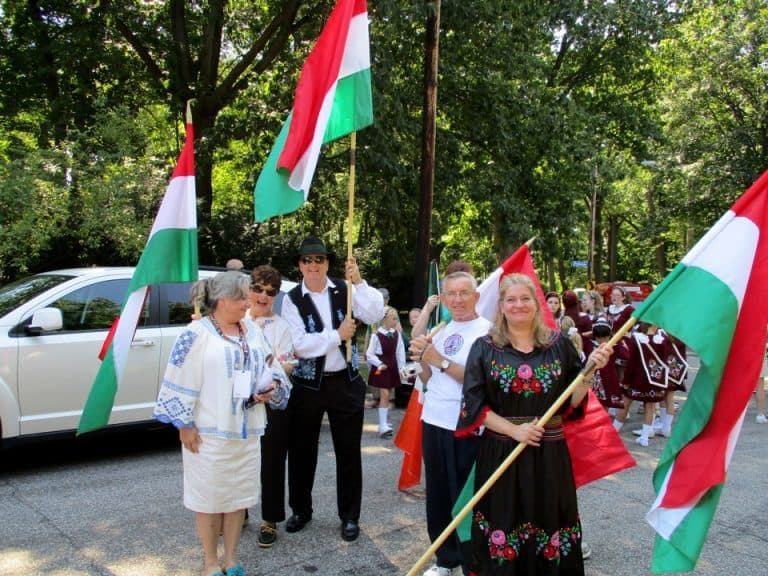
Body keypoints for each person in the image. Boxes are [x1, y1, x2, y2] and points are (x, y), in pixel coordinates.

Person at [456, 273, 611, 576]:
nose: (518, 305)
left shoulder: (559, 345)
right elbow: (473, 408)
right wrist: (515, 430)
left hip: (549, 455)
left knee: (549, 522)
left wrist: (591, 372)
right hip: (501, 453)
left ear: (536, 304)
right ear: (500, 306)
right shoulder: (484, 348)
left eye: (525, 298)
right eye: (511, 299)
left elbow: (573, 401)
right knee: (504, 522)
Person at [152, 271, 289, 576]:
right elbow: (178, 376)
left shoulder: (252, 330)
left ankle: (231, 559)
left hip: (247, 432)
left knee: (236, 499)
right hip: (209, 433)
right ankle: (210, 562)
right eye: (243, 297)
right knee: (210, 500)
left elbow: (272, 366)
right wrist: (184, 424)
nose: (249, 302)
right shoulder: (196, 333)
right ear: (223, 300)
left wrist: (273, 386)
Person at [281, 236, 384, 542]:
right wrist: (336, 335)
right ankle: (300, 509)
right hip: (308, 385)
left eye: (319, 259)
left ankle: (350, 516)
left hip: (345, 381)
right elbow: (299, 344)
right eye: (307, 260)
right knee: (301, 451)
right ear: (300, 265)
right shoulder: (292, 298)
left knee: (349, 452)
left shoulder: (345, 288)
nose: (313, 265)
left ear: (327, 263)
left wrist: (360, 281)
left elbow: (374, 313)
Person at [409, 271, 492, 576]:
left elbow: (477, 380)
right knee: (439, 494)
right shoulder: (441, 328)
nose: (457, 300)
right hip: (433, 419)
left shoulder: (488, 332)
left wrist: (438, 358)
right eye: (451, 294)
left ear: (476, 296)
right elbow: (430, 378)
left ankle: (472, 562)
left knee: (464, 497)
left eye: (463, 293)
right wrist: (421, 360)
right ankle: (445, 559)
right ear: (443, 299)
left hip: (466, 424)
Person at [244, 265, 297, 549]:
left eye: (270, 291)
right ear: (248, 289)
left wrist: (269, 380)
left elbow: (288, 364)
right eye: (258, 289)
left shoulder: (281, 326)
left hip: (273, 402)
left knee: (272, 463)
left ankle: (269, 520)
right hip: (240, 404)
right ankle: (237, 511)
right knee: (240, 459)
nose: (263, 296)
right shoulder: (235, 320)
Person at [612, 323, 670, 446]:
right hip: (653, 379)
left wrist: (626, 381)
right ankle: (644, 438)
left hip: (637, 379)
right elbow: (663, 363)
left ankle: (613, 431)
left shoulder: (637, 338)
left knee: (625, 404)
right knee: (650, 407)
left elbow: (632, 362)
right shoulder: (662, 340)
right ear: (652, 326)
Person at [366, 305, 406, 437]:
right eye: (394, 319)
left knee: (388, 395)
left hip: (392, 367)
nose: (396, 322)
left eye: (397, 319)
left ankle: (384, 422)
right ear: (385, 320)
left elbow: (400, 352)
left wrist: (401, 368)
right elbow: (369, 354)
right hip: (382, 368)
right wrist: (379, 363)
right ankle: (383, 426)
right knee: (384, 395)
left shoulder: (396, 334)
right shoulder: (376, 336)